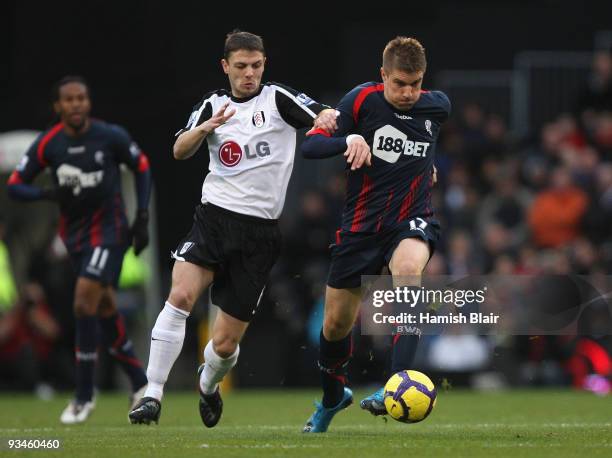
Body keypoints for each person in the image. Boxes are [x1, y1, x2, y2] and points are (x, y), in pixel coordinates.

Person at [128, 30, 336, 426]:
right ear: (226, 67)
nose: (249, 74)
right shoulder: (213, 104)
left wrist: (328, 116)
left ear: (264, 65)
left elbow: (321, 114)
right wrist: (207, 128)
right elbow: (178, 149)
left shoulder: (277, 99)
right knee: (180, 296)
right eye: (241, 66)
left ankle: (208, 384)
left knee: (223, 345)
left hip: (260, 234)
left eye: (256, 66)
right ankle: (152, 394)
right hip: (214, 220)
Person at [300, 36, 450, 432]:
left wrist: (428, 169)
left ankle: (394, 384)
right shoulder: (361, 101)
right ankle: (333, 398)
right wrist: (346, 138)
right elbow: (310, 149)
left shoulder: (438, 106)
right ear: (383, 75)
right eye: (400, 83)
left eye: (416, 83)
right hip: (360, 229)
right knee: (334, 327)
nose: (408, 93)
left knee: (408, 274)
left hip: (411, 220)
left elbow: (423, 144)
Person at [7, 76, 152, 424]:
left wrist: (142, 216)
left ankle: (84, 396)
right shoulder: (49, 144)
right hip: (75, 238)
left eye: (81, 98)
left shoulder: (109, 136)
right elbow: (16, 185)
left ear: (89, 102)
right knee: (103, 309)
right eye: (69, 100)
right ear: (58, 106)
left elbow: (142, 166)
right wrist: (46, 193)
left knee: (82, 300)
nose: (76, 104)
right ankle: (139, 382)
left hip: (110, 231)